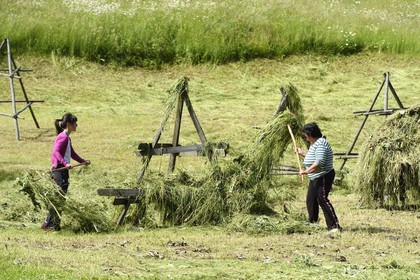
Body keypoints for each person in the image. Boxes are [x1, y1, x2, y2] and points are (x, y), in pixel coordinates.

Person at [41, 113, 90, 231]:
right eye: (75, 123)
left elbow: (72, 153)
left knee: (60, 198)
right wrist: (66, 163)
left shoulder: (67, 137)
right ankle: (49, 224)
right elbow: (55, 152)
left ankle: (52, 224)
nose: (76, 125)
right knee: (59, 198)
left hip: (62, 170)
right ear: (69, 124)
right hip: (59, 170)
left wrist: (83, 161)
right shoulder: (63, 137)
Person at [296, 122, 341, 232]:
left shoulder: (321, 144)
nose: (305, 137)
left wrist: (306, 171)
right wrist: (302, 153)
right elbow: (313, 157)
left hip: (323, 175)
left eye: (306, 135)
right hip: (315, 176)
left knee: (322, 199)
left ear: (310, 134)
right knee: (311, 200)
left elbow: (319, 162)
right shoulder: (314, 143)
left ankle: (334, 226)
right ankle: (313, 223)